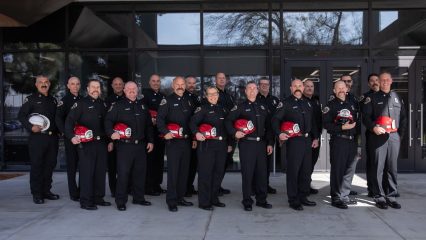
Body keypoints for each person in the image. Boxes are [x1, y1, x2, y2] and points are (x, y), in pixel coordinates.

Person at [105, 81, 154, 211]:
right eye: (129, 89)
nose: (132, 91)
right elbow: (108, 121)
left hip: (141, 145)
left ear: (137, 91)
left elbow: (149, 126)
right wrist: (111, 134)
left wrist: (151, 141)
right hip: (124, 146)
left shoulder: (142, 106)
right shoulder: (117, 105)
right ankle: (121, 201)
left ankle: (139, 198)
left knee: (140, 173)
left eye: (134, 89)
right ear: (125, 91)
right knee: (123, 174)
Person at [272, 79, 319, 211]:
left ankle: (303, 197)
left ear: (303, 88)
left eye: (300, 85)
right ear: (291, 88)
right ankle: (293, 199)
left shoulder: (308, 103)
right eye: (295, 86)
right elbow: (275, 119)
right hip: (294, 141)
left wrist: (315, 137)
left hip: (307, 141)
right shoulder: (285, 103)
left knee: (306, 171)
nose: (298, 88)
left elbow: (313, 122)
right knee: (293, 171)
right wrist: (279, 133)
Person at [225, 81, 274, 211]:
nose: (252, 90)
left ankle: (261, 200)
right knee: (248, 173)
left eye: (254, 88)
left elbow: (269, 127)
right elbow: (228, 121)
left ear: (257, 91)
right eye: (249, 88)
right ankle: (247, 201)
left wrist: (270, 143)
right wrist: (235, 133)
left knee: (262, 174)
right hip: (247, 144)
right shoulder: (240, 107)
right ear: (245, 91)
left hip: (262, 144)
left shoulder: (263, 107)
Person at [362, 72, 406, 209]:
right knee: (378, 168)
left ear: (391, 80)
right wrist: (373, 128)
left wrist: (400, 135)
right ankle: (379, 196)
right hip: (378, 136)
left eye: (387, 79)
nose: (385, 82)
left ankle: (391, 195)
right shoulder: (372, 98)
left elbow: (403, 118)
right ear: (379, 82)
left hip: (394, 137)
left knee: (392, 168)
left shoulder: (397, 97)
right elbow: (366, 118)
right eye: (382, 80)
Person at [65, 79, 111, 210]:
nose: (96, 89)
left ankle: (98, 197)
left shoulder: (103, 104)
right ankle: (85, 201)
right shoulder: (80, 104)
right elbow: (69, 122)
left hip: (101, 143)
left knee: (100, 172)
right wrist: (72, 136)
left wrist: (110, 141)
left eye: (98, 87)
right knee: (87, 173)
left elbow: (107, 125)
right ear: (88, 89)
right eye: (93, 87)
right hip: (86, 144)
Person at [18, 75, 60, 204]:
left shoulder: (53, 100)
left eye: (46, 82)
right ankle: (37, 194)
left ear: (49, 84)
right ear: (36, 85)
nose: (44, 84)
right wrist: (31, 127)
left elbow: (57, 119)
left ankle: (46, 191)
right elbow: (21, 116)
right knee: (37, 166)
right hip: (37, 138)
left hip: (52, 138)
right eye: (40, 82)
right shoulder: (31, 99)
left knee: (49, 165)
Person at [190, 86, 231, 211]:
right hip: (207, 146)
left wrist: (229, 143)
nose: (213, 96)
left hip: (221, 146)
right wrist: (196, 133)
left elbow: (227, 128)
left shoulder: (223, 109)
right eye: (210, 94)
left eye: (215, 94)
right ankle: (204, 202)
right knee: (205, 174)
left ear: (218, 95)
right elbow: (192, 122)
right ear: (206, 96)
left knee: (218, 173)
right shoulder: (202, 109)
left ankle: (214, 198)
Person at [157, 76, 194, 212]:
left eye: (182, 84)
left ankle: (180, 198)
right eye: (177, 84)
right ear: (173, 85)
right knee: (173, 172)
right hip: (173, 142)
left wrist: (194, 138)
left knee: (184, 171)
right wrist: (165, 132)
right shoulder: (167, 101)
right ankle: (171, 201)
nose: (180, 86)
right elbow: (160, 119)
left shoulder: (188, 101)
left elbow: (192, 122)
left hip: (186, 141)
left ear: (184, 86)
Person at [323, 80, 360, 209]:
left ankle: (344, 196)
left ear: (347, 89)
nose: (341, 90)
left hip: (352, 141)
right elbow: (326, 125)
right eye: (338, 88)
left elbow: (357, 124)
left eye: (343, 87)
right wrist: (342, 127)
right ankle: (336, 198)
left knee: (350, 170)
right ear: (334, 90)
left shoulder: (352, 105)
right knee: (338, 170)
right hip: (338, 140)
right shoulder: (330, 106)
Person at [55, 76, 82, 201]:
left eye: (77, 84)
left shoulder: (83, 100)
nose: (75, 86)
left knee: (84, 166)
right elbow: (58, 119)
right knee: (72, 166)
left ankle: (83, 190)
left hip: (83, 138)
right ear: (68, 85)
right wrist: (66, 134)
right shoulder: (64, 101)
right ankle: (73, 193)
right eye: (72, 84)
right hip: (70, 138)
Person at [142, 74, 167, 196]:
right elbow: (142, 110)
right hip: (149, 133)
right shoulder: (144, 94)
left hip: (161, 133)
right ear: (149, 82)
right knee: (150, 160)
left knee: (159, 160)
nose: (156, 83)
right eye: (153, 81)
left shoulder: (163, 96)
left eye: (158, 81)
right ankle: (148, 186)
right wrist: (149, 118)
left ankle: (157, 185)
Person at [256, 77, 280, 194]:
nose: (265, 86)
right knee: (256, 164)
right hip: (257, 136)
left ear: (269, 86)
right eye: (262, 84)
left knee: (267, 163)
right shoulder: (254, 99)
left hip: (270, 136)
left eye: (267, 84)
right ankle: (253, 186)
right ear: (259, 86)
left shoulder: (275, 100)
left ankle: (265, 185)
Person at [359, 73, 380, 197]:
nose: (374, 82)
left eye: (376, 80)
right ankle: (372, 189)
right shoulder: (365, 97)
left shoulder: (387, 95)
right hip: (372, 134)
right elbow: (364, 116)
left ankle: (386, 188)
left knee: (385, 164)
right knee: (372, 162)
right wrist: (373, 127)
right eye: (371, 81)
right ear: (368, 84)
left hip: (386, 134)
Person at [104, 77, 125, 197]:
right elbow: (106, 122)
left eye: (120, 84)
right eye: (115, 84)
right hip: (112, 139)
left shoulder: (128, 98)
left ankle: (126, 188)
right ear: (112, 86)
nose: (118, 86)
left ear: (123, 85)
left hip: (126, 140)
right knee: (112, 166)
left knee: (125, 167)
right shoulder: (107, 101)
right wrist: (110, 140)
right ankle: (114, 190)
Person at [214, 72, 234, 195]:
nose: (222, 80)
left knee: (224, 162)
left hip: (228, 133)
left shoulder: (229, 96)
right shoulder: (212, 93)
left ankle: (217, 185)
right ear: (215, 80)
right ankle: (213, 187)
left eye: (223, 78)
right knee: (216, 163)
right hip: (217, 133)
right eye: (219, 78)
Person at [302, 79, 322, 194]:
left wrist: (318, 136)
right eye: (307, 86)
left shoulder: (316, 101)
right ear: (303, 88)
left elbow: (318, 120)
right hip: (305, 137)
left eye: (312, 86)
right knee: (305, 164)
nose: (310, 88)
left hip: (316, 137)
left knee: (312, 162)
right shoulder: (301, 101)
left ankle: (307, 184)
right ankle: (303, 187)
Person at [184, 75, 201, 197]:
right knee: (185, 165)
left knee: (193, 164)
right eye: (189, 83)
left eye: (193, 83)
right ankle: (184, 189)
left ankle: (189, 187)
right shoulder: (182, 97)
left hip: (194, 136)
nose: (191, 85)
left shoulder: (196, 98)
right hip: (185, 136)